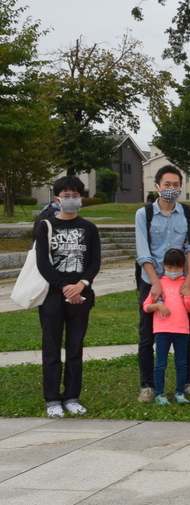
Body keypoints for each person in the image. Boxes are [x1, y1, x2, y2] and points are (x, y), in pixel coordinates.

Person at [134, 165, 190, 402]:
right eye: (167, 184)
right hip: (151, 281)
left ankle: (187, 382)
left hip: (180, 282)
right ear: (157, 186)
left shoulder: (188, 214)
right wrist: (155, 283)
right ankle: (148, 385)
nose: (172, 189)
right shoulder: (143, 214)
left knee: (184, 332)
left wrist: (188, 280)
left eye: (176, 185)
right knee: (147, 334)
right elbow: (143, 252)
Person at [35, 176, 101, 417]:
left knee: (75, 347)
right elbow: (42, 262)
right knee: (51, 348)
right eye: (66, 195)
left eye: (75, 195)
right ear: (57, 199)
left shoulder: (89, 228)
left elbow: (94, 261)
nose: (71, 199)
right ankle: (52, 399)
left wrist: (81, 285)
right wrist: (65, 287)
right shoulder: (45, 226)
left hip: (81, 296)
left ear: (81, 198)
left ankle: (72, 396)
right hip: (53, 297)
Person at [143, 249, 190, 406]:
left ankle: (179, 392)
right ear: (164, 266)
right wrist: (158, 306)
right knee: (161, 363)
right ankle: (160, 393)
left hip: (181, 330)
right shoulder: (159, 284)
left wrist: (187, 294)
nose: (173, 271)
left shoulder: (186, 284)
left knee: (181, 363)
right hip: (162, 331)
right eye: (170, 268)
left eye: (177, 268)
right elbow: (146, 306)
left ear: (184, 266)